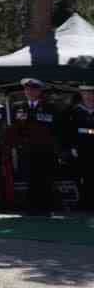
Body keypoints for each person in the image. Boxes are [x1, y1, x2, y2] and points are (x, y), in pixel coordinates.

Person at [9, 78, 58, 214]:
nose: (29, 92)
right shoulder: (18, 107)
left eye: (33, 89)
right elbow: (15, 128)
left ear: (39, 91)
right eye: (27, 89)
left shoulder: (49, 107)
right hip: (26, 149)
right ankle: (31, 207)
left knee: (45, 178)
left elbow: (55, 129)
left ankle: (46, 207)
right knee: (29, 178)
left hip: (44, 149)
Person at [65, 84, 94, 212]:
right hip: (81, 151)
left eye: (91, 93)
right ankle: (84, 203)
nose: (89, 96)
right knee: (81, 178)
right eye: (86, 93)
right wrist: (71, 146)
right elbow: (68, 131)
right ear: (81, 94)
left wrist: (87, 132)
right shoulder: (74, 111)